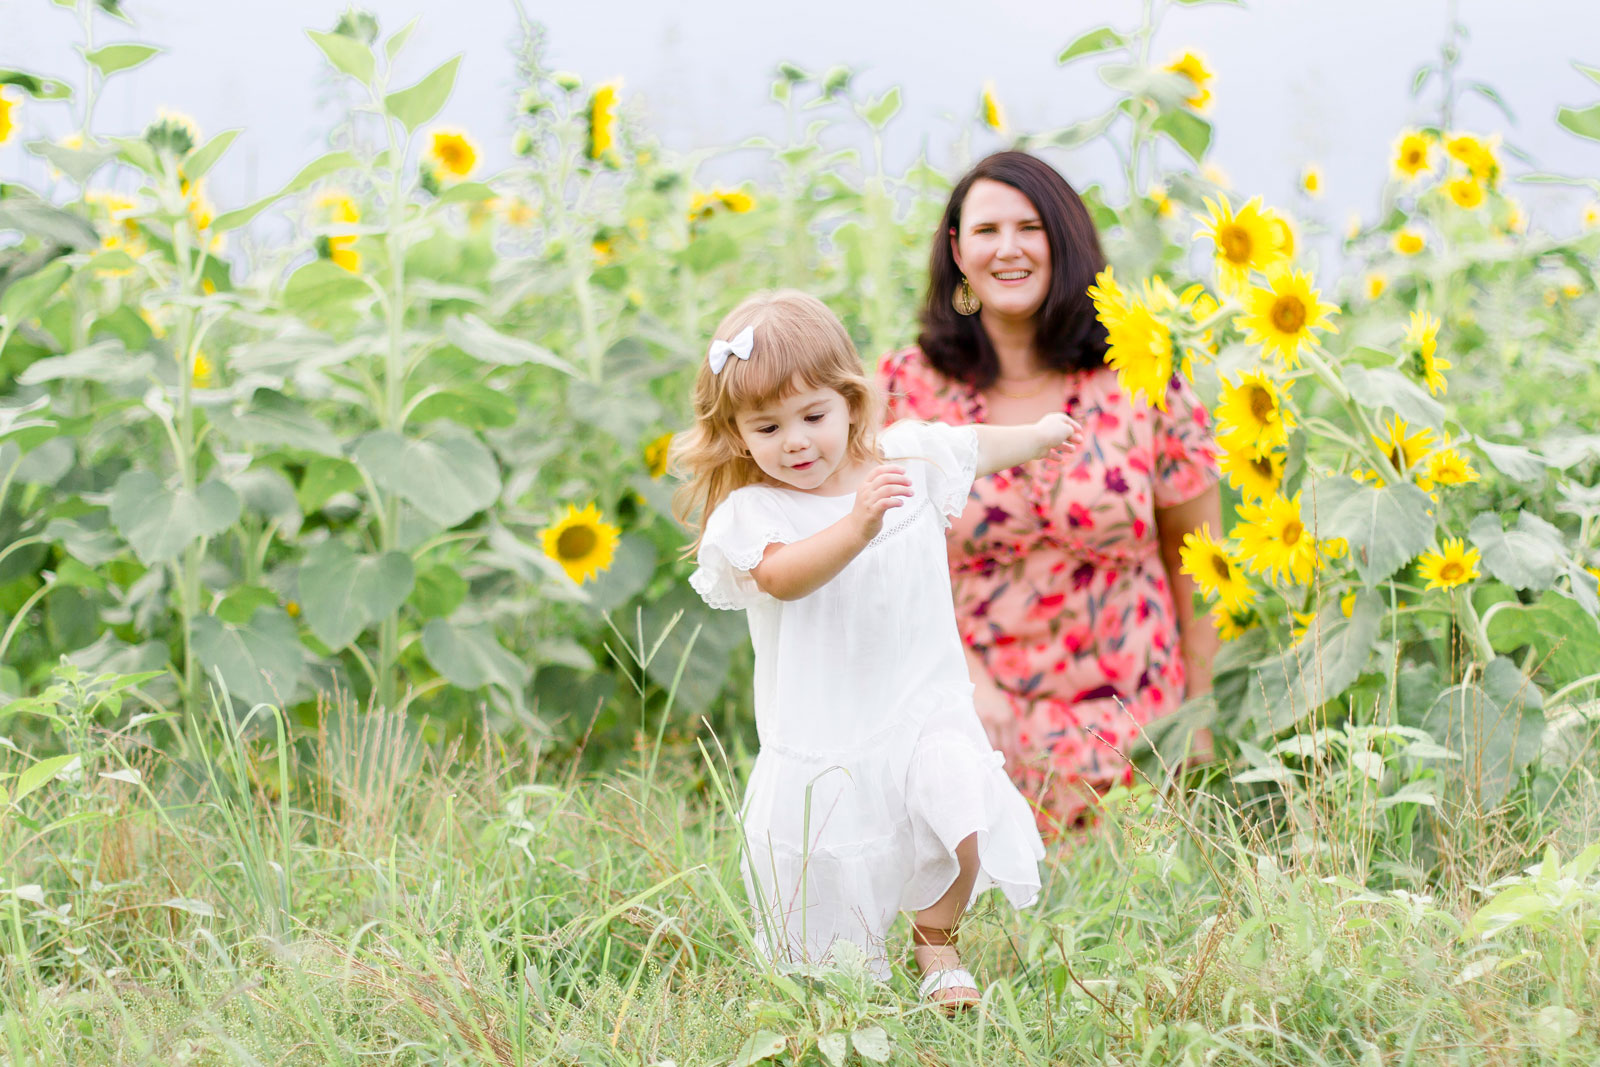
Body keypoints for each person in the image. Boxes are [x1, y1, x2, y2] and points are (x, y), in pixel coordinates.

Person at [675, 290, 1085, 1010]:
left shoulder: (904, 456)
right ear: (737, 435)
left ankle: (936, 934)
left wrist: (1042, 432)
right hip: (829, 727)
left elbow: (974, 445)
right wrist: (857, 527)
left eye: (813, 416)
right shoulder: (754, 512)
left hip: (923, 704)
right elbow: (782, 576)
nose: (797, 441)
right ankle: (843, 980)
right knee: (832, 875)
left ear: (851, 401)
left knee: (962, 809)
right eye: (768, 427)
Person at [877, 151, 1222, 833]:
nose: (1008, 248)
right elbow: (886, 561)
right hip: (972, 729)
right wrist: (963, 681)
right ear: (957, 250)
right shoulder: (909, 389)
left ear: (1064, 242)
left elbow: (1200, 557)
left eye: (1030, 227)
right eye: (986, 231)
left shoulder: (1143, 374)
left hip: (1138, 736)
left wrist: (1199, 720)